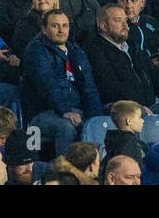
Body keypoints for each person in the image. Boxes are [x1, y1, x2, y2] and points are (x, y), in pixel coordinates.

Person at [21, 8, 102, 156]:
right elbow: (48, 84)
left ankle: (94, 172)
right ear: (44, 29)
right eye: (55, 26)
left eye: (65, 26)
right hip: (43, 113)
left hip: (76, 110)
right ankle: (65, 173)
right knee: (67, 127)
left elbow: (89, 87)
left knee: (99, 125)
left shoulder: (75, 50)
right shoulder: (36, 50)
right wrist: (65, 110)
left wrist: (96, 117)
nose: (61, 30)